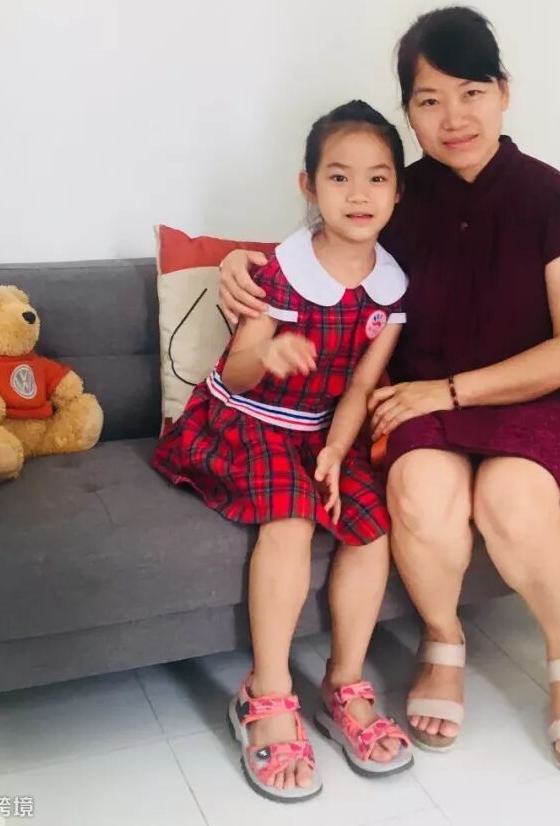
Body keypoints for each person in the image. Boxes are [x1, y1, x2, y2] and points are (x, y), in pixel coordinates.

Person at [219, 7, 560, 772]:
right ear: (409, 111)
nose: (453, 117)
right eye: (430, 100)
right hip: (423, 401)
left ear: (503, 93)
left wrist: (450, 392)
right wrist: (242, 262)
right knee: (420, 492)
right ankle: (443, 640)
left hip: (541, 402)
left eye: (472, 93)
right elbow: (325, 247)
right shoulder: (397, 196)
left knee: (511, 498)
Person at [153, 101, 414, 803]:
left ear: (397, 190)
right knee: (292, 518)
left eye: (377, 178)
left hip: (320, 431)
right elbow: (237, 371)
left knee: (370, 525)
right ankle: (264, 693)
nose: (358, 194)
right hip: (248, 420)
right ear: (309, 186)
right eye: (339, 177)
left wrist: (337, 451)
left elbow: (360, 386)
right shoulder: (279, 272)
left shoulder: (392, 287)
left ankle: (344, 682)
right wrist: (267, 352)